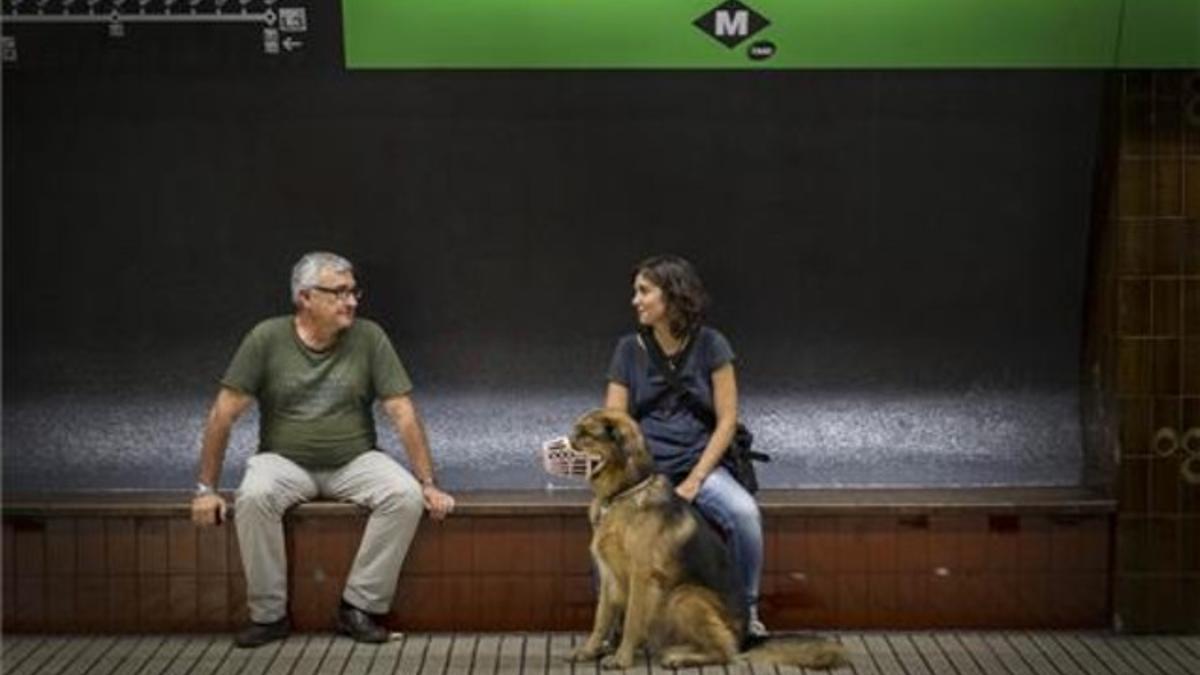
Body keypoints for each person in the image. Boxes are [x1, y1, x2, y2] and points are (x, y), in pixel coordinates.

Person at [190, 251, 455, 648]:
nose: (350, 301)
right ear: (305, 297)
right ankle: (268, 616)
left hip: (355, 460)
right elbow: (223, 414)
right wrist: (205, 490)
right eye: (339, 292)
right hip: (284, 462)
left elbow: (402, 412)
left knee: (404, 495)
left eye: (353, 292)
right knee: (254, 495)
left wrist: (428, 483)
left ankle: (358, 606)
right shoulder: (266, 338)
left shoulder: (369, 337)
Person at [603, 254, 767, 639]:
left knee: (743, 514)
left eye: (644, 291)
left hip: (701, 464)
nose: (635, 301)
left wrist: (696, 479)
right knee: (609, 527)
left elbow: (727, 420)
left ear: (672, 296)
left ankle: (746, 613)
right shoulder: (628, 350)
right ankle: (618, 622)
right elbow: (615, 420)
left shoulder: (712, 345)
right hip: (646, 474)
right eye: (635, 292)